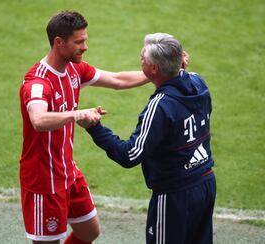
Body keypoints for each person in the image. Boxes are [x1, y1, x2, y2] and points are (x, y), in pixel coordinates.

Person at [19, 11, 154, 244]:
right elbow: (38, 120)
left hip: (68, 172)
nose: (85, 47)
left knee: (89, 231)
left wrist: (156, 73)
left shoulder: (74, 70)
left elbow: (118, 80)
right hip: (44, 181)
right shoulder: (38, 84)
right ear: (59, 43)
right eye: (79, 42)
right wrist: (77, 113)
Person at [81, 33, 216, 244]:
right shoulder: (198, 82)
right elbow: (176, 78)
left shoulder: (160, 105)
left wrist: (95, 128)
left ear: (154, 69)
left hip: (174, 196)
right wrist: (176, 66)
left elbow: (130, 154)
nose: (140, 60)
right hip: (206, 183)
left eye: (143, 60)